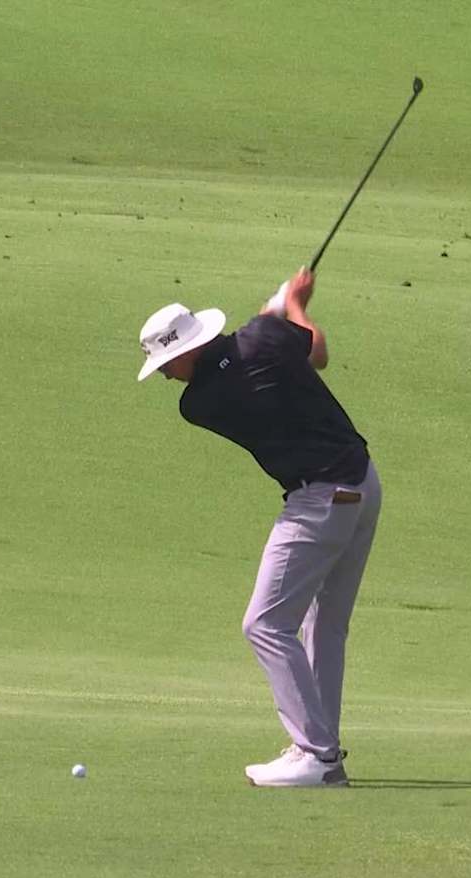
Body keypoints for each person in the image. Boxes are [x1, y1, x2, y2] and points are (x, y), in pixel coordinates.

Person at [135, 266, 382, 788]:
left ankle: (317, 754)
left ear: (185, 353)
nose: (163, 376)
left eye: (163, 364)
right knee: (325, 624)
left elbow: (259, 359)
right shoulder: (263, 338)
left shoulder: (198, 403)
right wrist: (293, 305)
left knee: (264, 625)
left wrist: (278, 307)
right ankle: (319, 747)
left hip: (319, 499)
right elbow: (314, 351)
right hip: (363, 484)